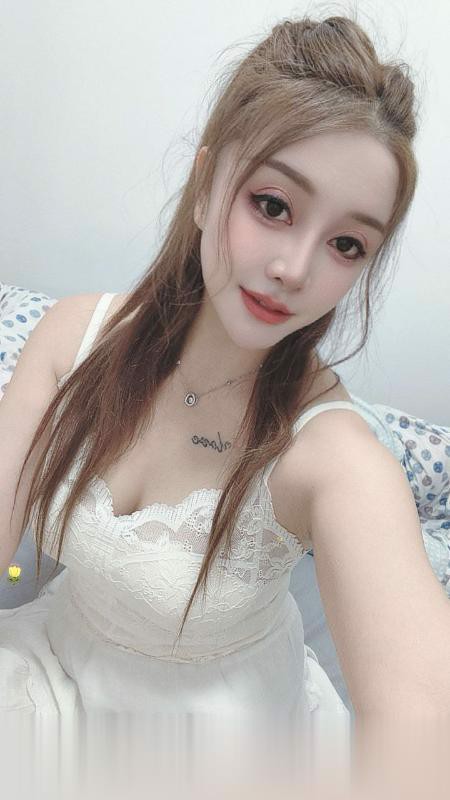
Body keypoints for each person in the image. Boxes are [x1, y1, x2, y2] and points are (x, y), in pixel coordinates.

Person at [1, 11, 450, 792]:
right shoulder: (74, 340)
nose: (295, 268)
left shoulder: (331, 456)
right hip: (53, 677)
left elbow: (422, 728)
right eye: (273, 205)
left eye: (347, 244)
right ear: (207, 188)